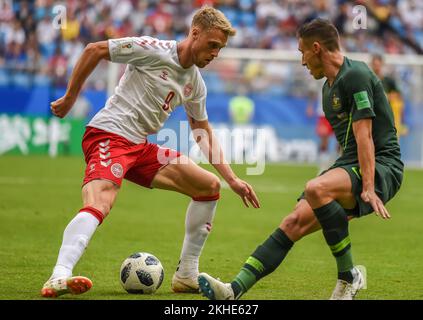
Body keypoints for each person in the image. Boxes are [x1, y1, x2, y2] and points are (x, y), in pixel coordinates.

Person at [41, 6, 260, 298]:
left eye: (220, 48)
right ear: (195, 33)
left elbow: (202, 131)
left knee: (208, 186)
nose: (215, 53)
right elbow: (95, 50)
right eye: (213, 45)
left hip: (140, 147)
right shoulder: (153, 49)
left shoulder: (195, 83)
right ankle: (59, 275)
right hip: (108, 134)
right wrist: (70, 97)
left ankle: (186, 275)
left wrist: (231, 179)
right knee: (101, 200)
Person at [198, 18, 404, 300]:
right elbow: (349, 144)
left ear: (316, 48)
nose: (303, 61)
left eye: (302, 52)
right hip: (351, 164)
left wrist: (368, 186)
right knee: (293, 221)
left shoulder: (355, 75)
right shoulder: (327, 89)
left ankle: (348, 276)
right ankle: (233, 290)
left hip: (382, 166)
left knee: (316, 189)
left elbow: (364, 136)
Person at [371, 54, 408, 139]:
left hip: (387, 117)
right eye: (375, 65)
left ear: (382, 64)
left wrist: (386, 97)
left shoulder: (388, 80)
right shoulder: (368, 80)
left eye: (378, 65)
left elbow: (398, 96)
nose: (376, 67)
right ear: (371, 64)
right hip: (373, 118)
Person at [306, 78, 337, 174]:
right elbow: (313, 91)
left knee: (341, 142)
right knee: (324, 141)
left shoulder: (340, 72)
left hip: (338, 113)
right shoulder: (320, 74)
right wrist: (310, 105)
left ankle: (336, 164)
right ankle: (323, 166)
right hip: (323, 113)